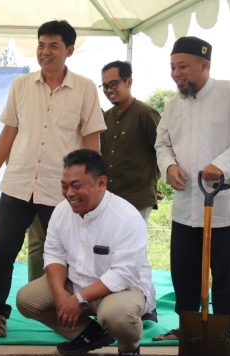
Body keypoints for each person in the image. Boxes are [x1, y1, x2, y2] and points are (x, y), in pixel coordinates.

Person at [0, 20, 106, 338]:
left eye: (53, 45)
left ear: (69, 50)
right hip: (18, 184)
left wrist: (92, 185)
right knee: (4, 253)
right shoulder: (21, 85)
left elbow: (92, 140)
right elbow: (9, 132)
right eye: (41, 45)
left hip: (62, 191)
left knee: (71, 255)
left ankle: (78, 310)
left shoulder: (86, 88)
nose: (45, 52)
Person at [16, 149, 155, 356]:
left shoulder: (126, 217)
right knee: (27, 300)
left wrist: (78, 299)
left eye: (77, 186)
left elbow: (122, 274)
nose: (69, 193)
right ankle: (89, 334)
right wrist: (60, 294)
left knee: (117, 315)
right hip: (76, 284)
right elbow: (54, 254)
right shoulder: (62, 211)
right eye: (64, 186)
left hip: (121, 290)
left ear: (102, 183)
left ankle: (129, 349)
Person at [154, 36, 230, 346]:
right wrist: (168, 167)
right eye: (172, 67)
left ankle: (227, 336)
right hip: (185, 206)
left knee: (229, 275)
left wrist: (223, 164)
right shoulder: (174, 104)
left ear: (204, 65)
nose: (176, 73)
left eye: (183, 67)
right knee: (184, 272)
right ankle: (188, 329)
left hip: (226, 207)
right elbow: (162, 142)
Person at [100, 60, 160, 323]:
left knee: (136, 255)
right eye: (105, 86)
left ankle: (148, 305)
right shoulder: (104, 117)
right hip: (109, 200)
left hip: (136, 197)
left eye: (113, 84)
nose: (109, 90)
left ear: (129, 81)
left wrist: (153, 182)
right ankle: (118, 303)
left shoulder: (146, 114)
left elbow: (164, 152)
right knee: (112, 253)